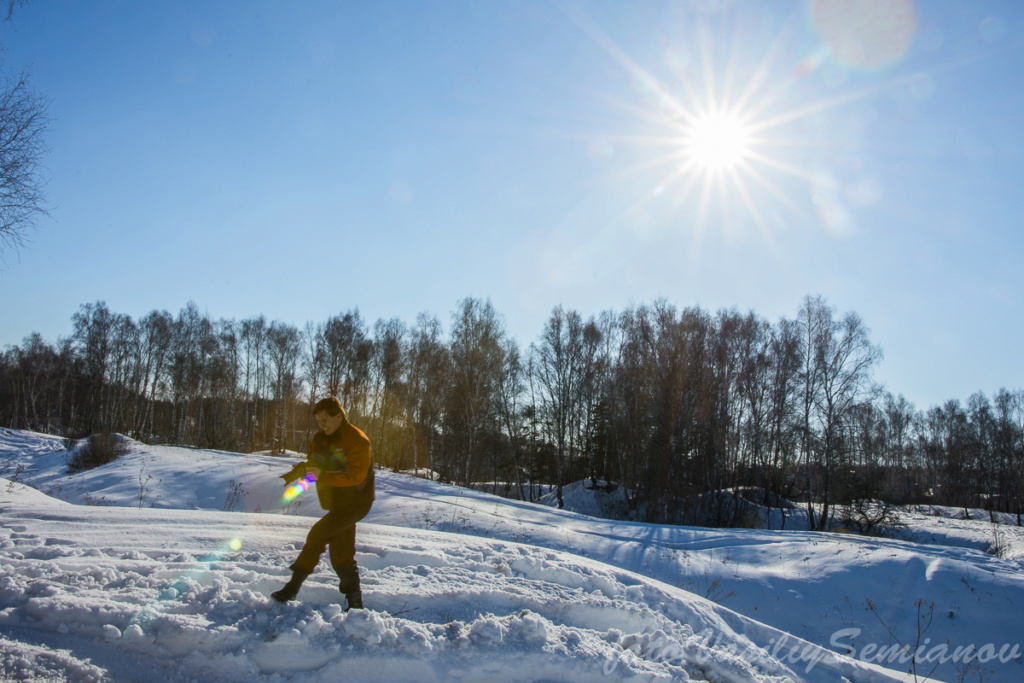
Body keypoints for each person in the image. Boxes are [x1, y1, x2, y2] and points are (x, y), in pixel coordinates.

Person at [271, 397, 375, 609]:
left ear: (339, 416)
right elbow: (315, 464)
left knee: (317, 535)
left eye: (325, 419)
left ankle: (291, 589)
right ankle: (356, 604)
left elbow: (356, 476)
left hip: (356, 503)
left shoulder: (357, 440)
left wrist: (321, 475)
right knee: (341, 555)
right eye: (319, 420)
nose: (322, 424)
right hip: (336, 502)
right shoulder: (320, 439)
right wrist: (301, 472)